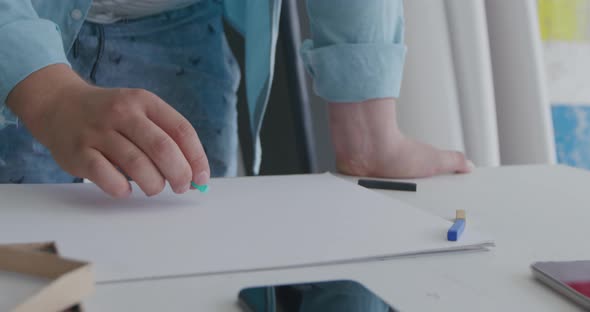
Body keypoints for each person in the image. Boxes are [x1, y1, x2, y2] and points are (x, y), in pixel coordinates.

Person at [0, 0, 470, 311]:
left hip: (180, 24)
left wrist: (370, 130)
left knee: (191, 273)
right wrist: (47, 95)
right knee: (21, 281)